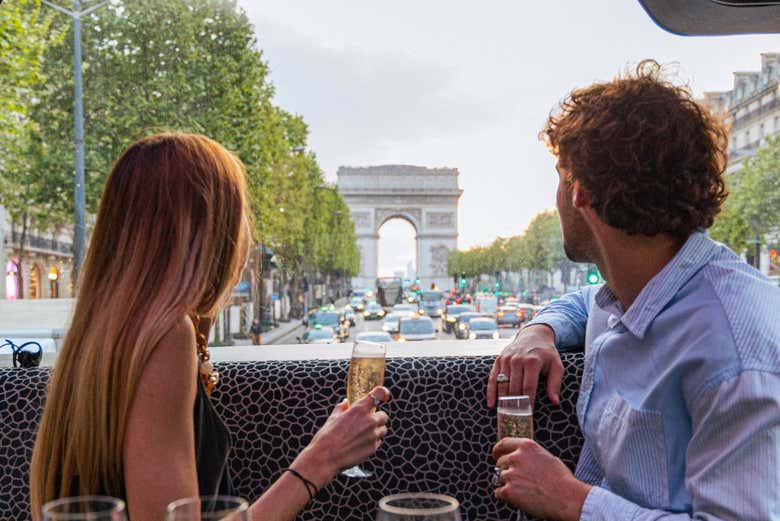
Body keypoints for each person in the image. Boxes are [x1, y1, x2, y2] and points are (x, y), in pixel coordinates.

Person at [29, 133, 390, 521]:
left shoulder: (105, 333)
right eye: (239, 214)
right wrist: (322, 458)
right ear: (209, 231)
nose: (246, 235)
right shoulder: (167, 337)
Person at [487, 61, 780, 520]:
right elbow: (588, 302)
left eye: (558, 178)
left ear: (578, 191)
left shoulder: (734, 355)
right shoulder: (639, 282)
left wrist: (572, 500)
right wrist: (540, 328)